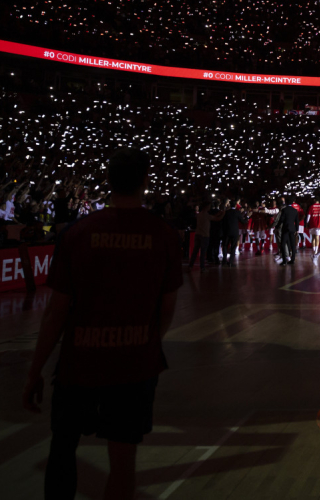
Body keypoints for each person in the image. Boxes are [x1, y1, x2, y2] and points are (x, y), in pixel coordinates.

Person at [22, 147, 182, 500]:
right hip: (135, 366)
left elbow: (56, 311)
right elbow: (168, 306)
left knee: (62, 450)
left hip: (80, 362)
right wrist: (147, 341)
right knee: (123, 462)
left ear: (108, 180)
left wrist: (35, 370)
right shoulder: (164, 234)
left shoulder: (78, 233)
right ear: (145, 180)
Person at [189, 200, 223, 269]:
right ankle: (202, 267)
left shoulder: (199, 214)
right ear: (207, 206)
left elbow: (212, 217)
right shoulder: (207, 215)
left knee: (195, 251)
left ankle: (190, 266)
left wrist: (218, 213)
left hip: (198, 234)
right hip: (205, 235)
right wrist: (223, 213)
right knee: (203, 252)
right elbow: (217, 219)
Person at [221, 201, 248, 266]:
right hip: (235, 232)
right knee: (233, 246)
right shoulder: (237, 212)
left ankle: (224, 260)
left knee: (225, 245)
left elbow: (223, 222)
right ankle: (230, 262)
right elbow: (243, 222)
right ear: (235, 206)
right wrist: (247, 217)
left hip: (227, 231)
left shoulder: (226, 212)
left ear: (230, 205)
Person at [275, 197, 301, 265]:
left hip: (285, 229)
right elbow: (297, 221)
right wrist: (297, 229)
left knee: (283, 244)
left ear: (286, 202)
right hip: (292, 229)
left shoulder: (284, 210)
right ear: (292, 203)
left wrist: (277, 226)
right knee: (292, 245)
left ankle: (284, 261)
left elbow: (281, 220)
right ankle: (292, 259)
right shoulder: (295, 210)